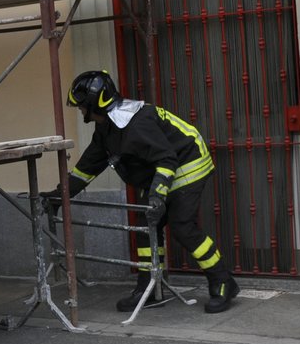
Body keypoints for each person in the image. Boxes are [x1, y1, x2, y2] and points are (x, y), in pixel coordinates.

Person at [44, 69, 238, 314]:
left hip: (189, 161)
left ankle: (222, 282)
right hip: (165, 167)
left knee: (182, 226)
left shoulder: (136, 125)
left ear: (95, 103)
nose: (80, 110)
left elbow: (167, 159)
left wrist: (157, 195)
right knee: (146, 226)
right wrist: (58, 195)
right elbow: (87, 168)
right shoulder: (107, 128)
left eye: (82, 106)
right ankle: (149, 289)